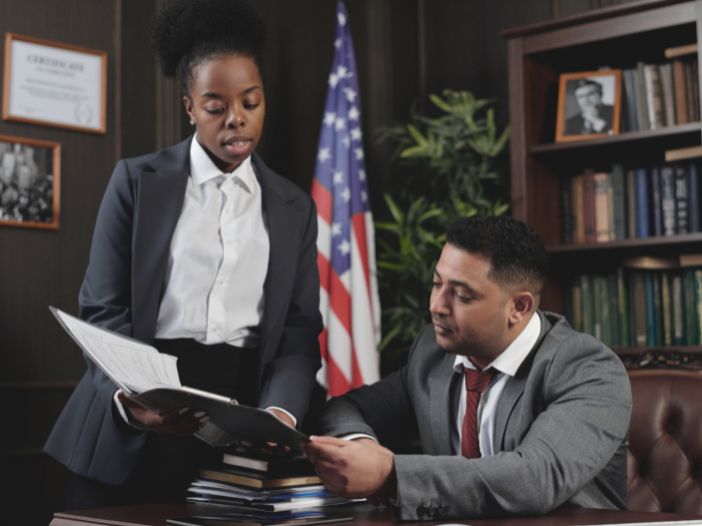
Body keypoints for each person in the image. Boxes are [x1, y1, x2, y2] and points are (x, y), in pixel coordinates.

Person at [45, 0, 322, 508]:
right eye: (216, 107)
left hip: (240, 426)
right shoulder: (135, 182)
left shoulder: (294, 207)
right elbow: (103, 310)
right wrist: (135, 398)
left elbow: (299, 333)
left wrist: (280, 414)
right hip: (134, 410)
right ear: (190, 107)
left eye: (251, 102)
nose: (236, 120)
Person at [306, 215, 631, 520]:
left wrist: (390, 474)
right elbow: (346, 407)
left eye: (461, 296)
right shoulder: (432, 354)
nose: (436, 306)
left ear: (519, 306)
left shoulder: (590, 370)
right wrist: (360, 444)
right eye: (436, 284)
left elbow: (535, 478)